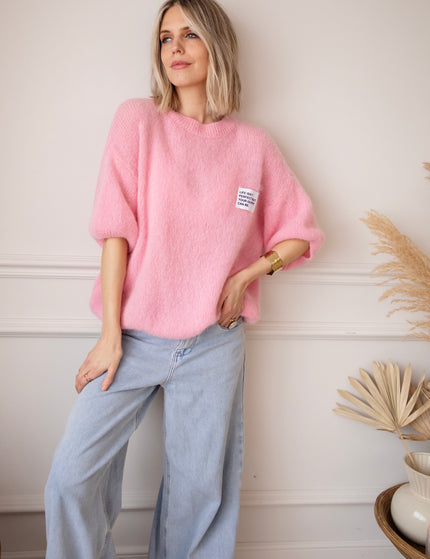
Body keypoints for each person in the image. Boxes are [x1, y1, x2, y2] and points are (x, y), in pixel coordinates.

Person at [44, 0, 324, 557]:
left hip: (213, 344)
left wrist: (248, 274)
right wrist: (110, 336)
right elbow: (115, 232)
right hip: (133, 337)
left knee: (197, 494)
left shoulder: (253, 146)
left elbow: (302, 234)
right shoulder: (138, 121)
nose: (174, 47)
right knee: (71, 477)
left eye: (190, 34)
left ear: (215, 45)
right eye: (165, 37)